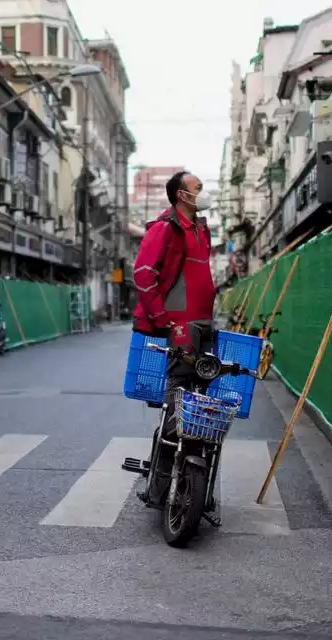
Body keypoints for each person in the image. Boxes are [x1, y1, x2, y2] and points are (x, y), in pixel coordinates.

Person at [130, 170, 218, 508]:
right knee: (177, 406)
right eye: (198, 187)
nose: (202, 191)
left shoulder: (201, 228)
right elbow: (143, 273)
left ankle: (198, 489)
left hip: (204, 325)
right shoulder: (166, 229)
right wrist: (161, 318)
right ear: (182, 195)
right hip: (179, 326)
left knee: (204, 407)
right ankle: (160, 489)